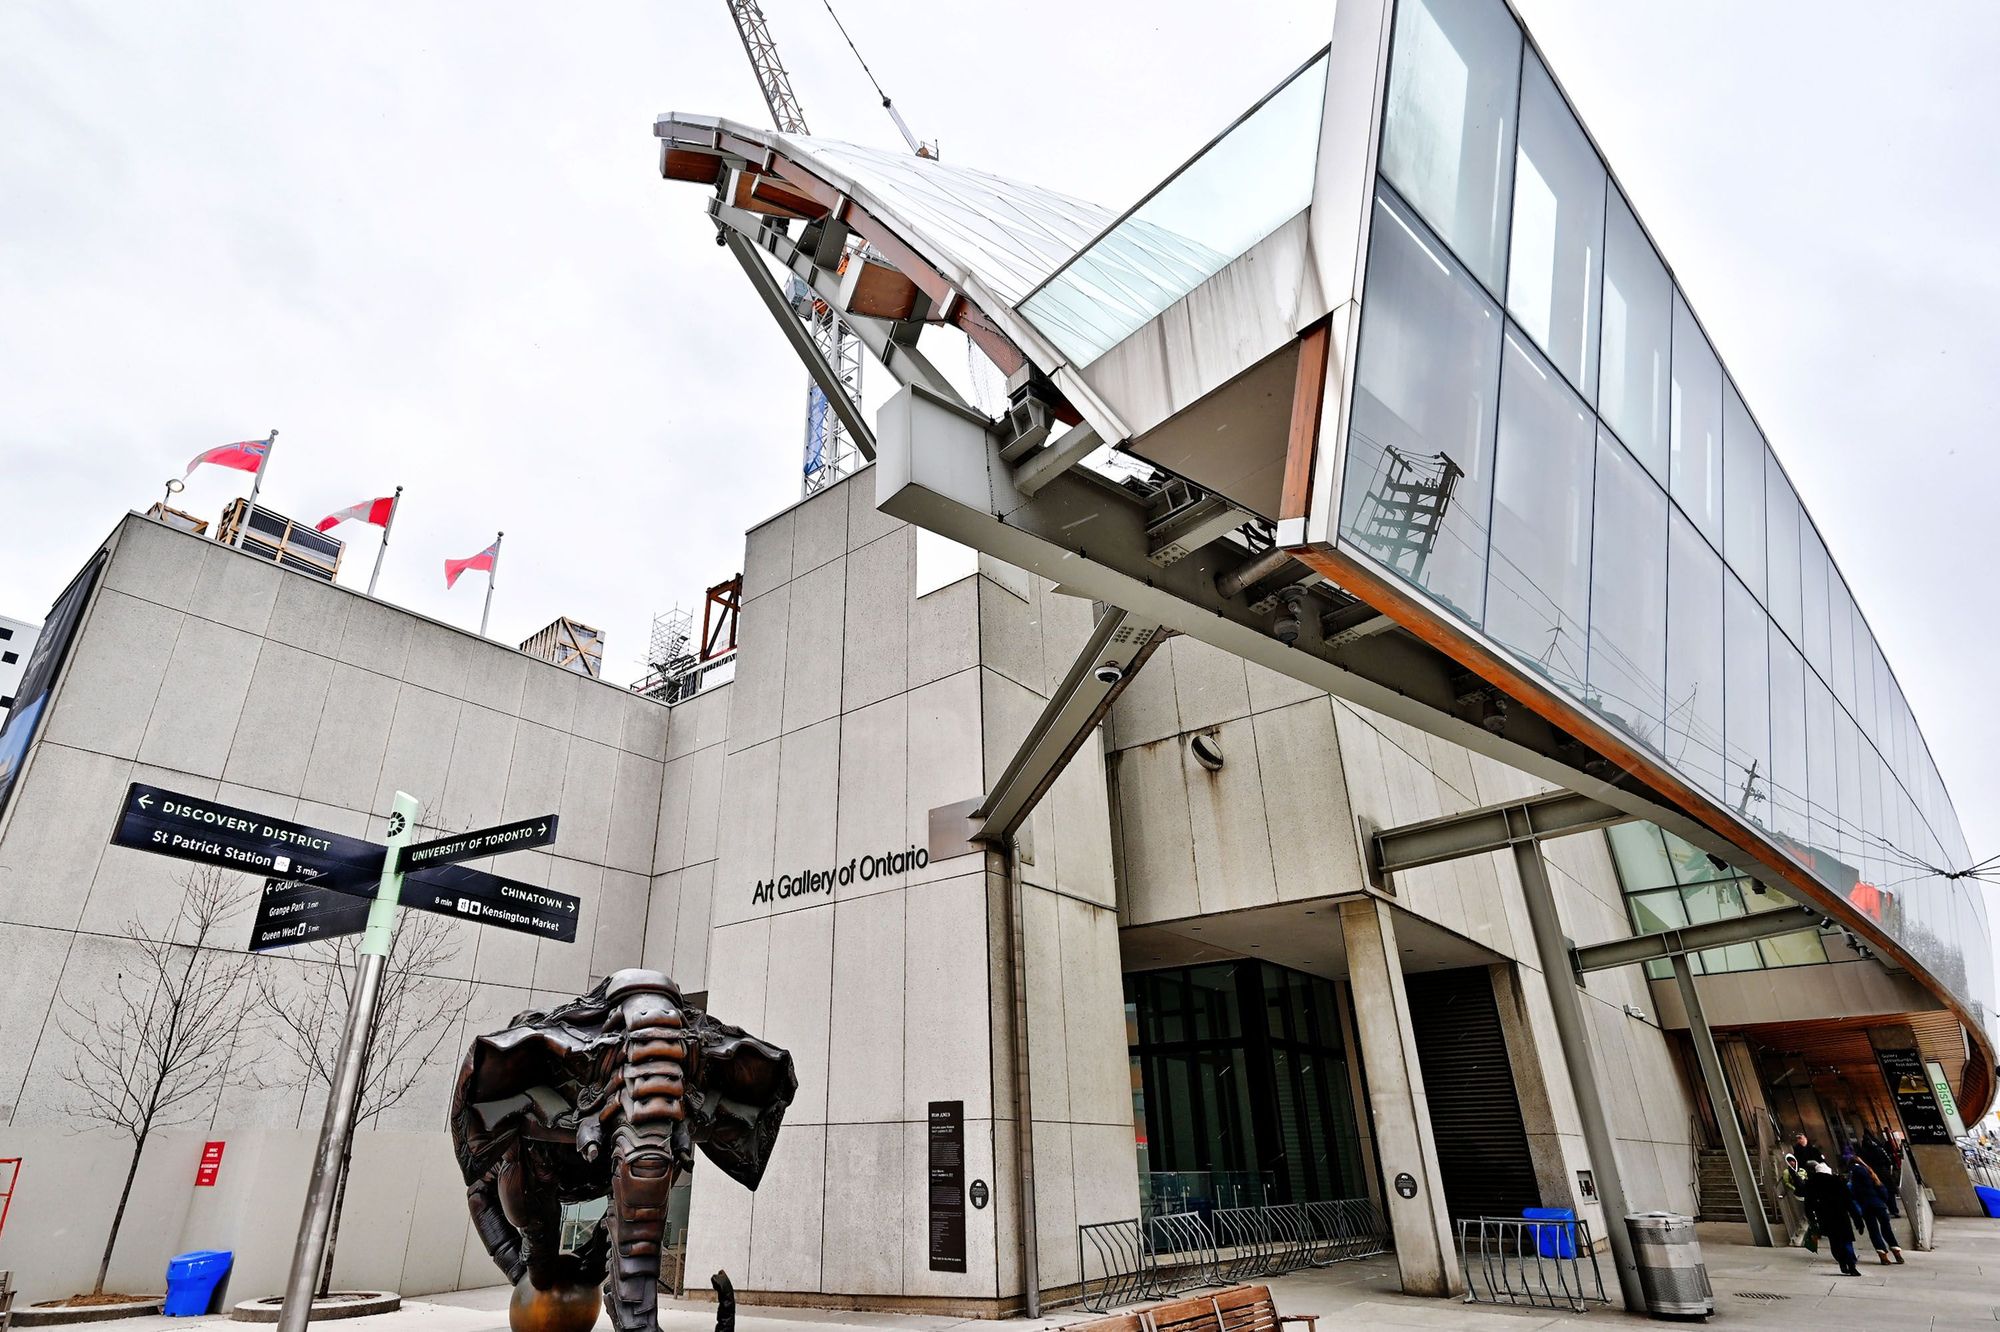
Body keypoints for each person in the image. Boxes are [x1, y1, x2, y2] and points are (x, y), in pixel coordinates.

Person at [1801, 1160, 1863, 1276]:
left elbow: (1808, 1204)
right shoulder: (1838, 1181)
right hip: (1841, 1215)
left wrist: (1812, 1219)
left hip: (1825, 1216)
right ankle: (1851, 1265)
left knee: (1834, 1241)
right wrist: (1858, 1220)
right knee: (1846, 1240)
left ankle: (1842, 1262)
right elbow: (1849, 1202)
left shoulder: (1812, 1184)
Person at [1845, 1145, 1904, 1264]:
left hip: (1866, 1207)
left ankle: (1883, 1256)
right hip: (1879, 1204)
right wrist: (1882, 1201)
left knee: (1874, 1231)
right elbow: (1882, 1190)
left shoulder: (1853, 1178)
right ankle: (1896, 1252)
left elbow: (1852, 1195)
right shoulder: (1870, 1173)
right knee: (1887, 1228)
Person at [1860, 1131, 1900, 1216]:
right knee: (1890, 1191)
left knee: (1878, 1191)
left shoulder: (1863, 1152)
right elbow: (1888, 1160)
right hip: (1884, 1171)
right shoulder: (1879, 1149)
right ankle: (1894, 1209)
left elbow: (1863, 1164)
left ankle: (1884, 1209)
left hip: (1872, 1173)